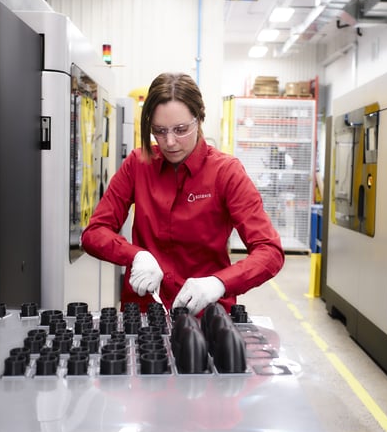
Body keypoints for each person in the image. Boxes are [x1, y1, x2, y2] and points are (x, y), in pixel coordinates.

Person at [81, 72, 284, 315]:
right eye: (159, 130)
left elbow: (269, 251)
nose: (169, 142)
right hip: (144, 313)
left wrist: (219, 283)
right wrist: (136, 255)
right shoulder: (138, 164)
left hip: (206, 313)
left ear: (199, 119)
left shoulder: (226, 172)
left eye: (180, 129)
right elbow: (94, 233)